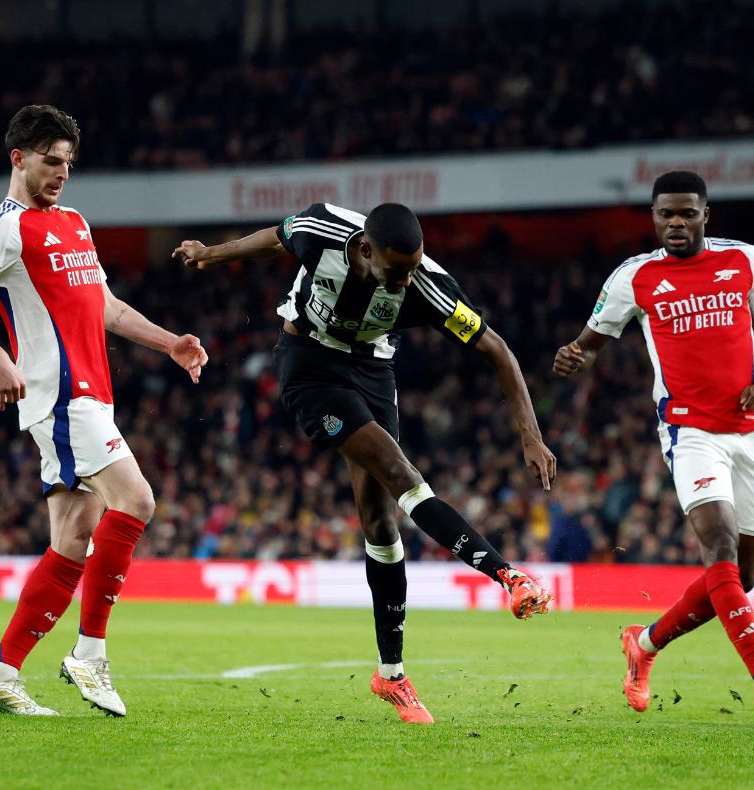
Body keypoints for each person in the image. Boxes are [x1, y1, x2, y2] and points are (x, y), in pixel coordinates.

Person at [172, 201, 555, 724]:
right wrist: (211, 254)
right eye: (396, 272)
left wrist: (531, 437)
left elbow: (498, 350)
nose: (405, 282)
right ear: (366, 250)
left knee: (380, 523)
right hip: (310, 366)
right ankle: (508, 576)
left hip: (374, 371)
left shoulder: (426, 285)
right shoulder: (320, 231)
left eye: (413, 268)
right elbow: (271, 239)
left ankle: (391, 676)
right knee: (402, 476)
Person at [0, 105, 209, 717]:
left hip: (91, 396)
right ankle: (89, 653)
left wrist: (170, 342)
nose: (61, 173)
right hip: (61, 399)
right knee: (136, 501)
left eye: (68, 163)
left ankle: (0, 673)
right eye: (50, 161)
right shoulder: (5, 226)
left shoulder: (75, 223)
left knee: (71, 540)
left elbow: (106, 307)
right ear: (19, 158)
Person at [553, 170, 754, 722]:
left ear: (706, 215)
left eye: (687, 213)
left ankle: (644, 643)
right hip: (688, 431)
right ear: (654, 217)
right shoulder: (635, 277)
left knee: (742, 575)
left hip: (748, 432)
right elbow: (590, 342)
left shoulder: (746, 261)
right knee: (718, 544)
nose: (677, 223)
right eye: (666, 214)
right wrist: (573, 355)